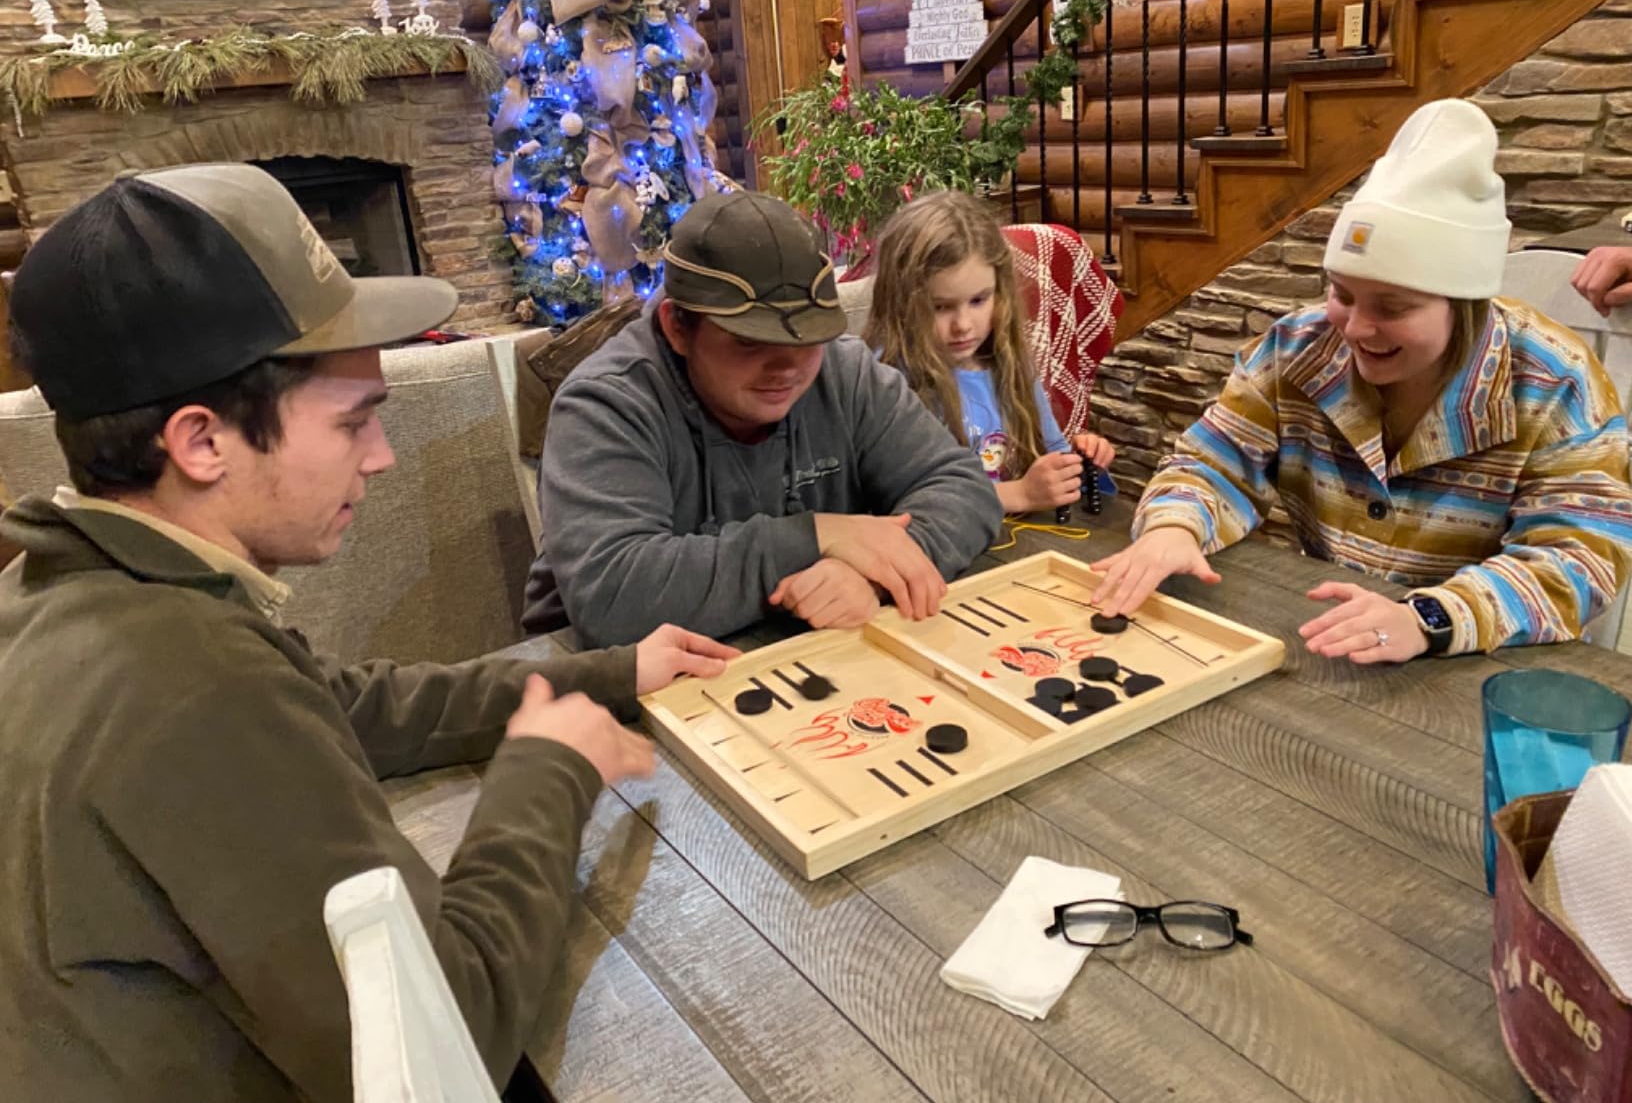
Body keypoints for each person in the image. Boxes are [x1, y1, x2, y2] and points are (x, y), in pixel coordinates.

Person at [0, 164, 736, 1102]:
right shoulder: (187, 689)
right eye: (355, 421)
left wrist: (612, 672)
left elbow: (338, 705)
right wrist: (546, 774)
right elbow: (443, 1036)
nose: (383, 456)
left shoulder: (70, 584)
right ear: (199, 441)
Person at [1092, 99, 1632, 662]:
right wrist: (1175, 527)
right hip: (1334, 644)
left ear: (1465, 304)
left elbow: (1578, 558)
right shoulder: (1294, 349)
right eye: (1341, 294)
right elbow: (1213, 461)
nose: (1356, 327)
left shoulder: (1556, 384)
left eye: (1393, 307)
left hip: (1494, 665)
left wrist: (1430, 617)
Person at [522, 189, 1004, 645]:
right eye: (749, 342)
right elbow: (615, 597)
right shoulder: (605, 404)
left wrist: (866, 574)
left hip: (798, 657)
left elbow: (963, 488)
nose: (788, 368)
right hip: (619, 694)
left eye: (807, 338)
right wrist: (819, 536)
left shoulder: (845, 370)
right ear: (677, 327)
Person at [863, 189, 1117, 514]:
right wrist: (1017, 495)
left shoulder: (1011, 364)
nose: (964, 325)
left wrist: (1081, 461)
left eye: (979, 300)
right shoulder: (887, 379)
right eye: (940, 307)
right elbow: (899, 503)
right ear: (899, 303)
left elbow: (1053, 460)